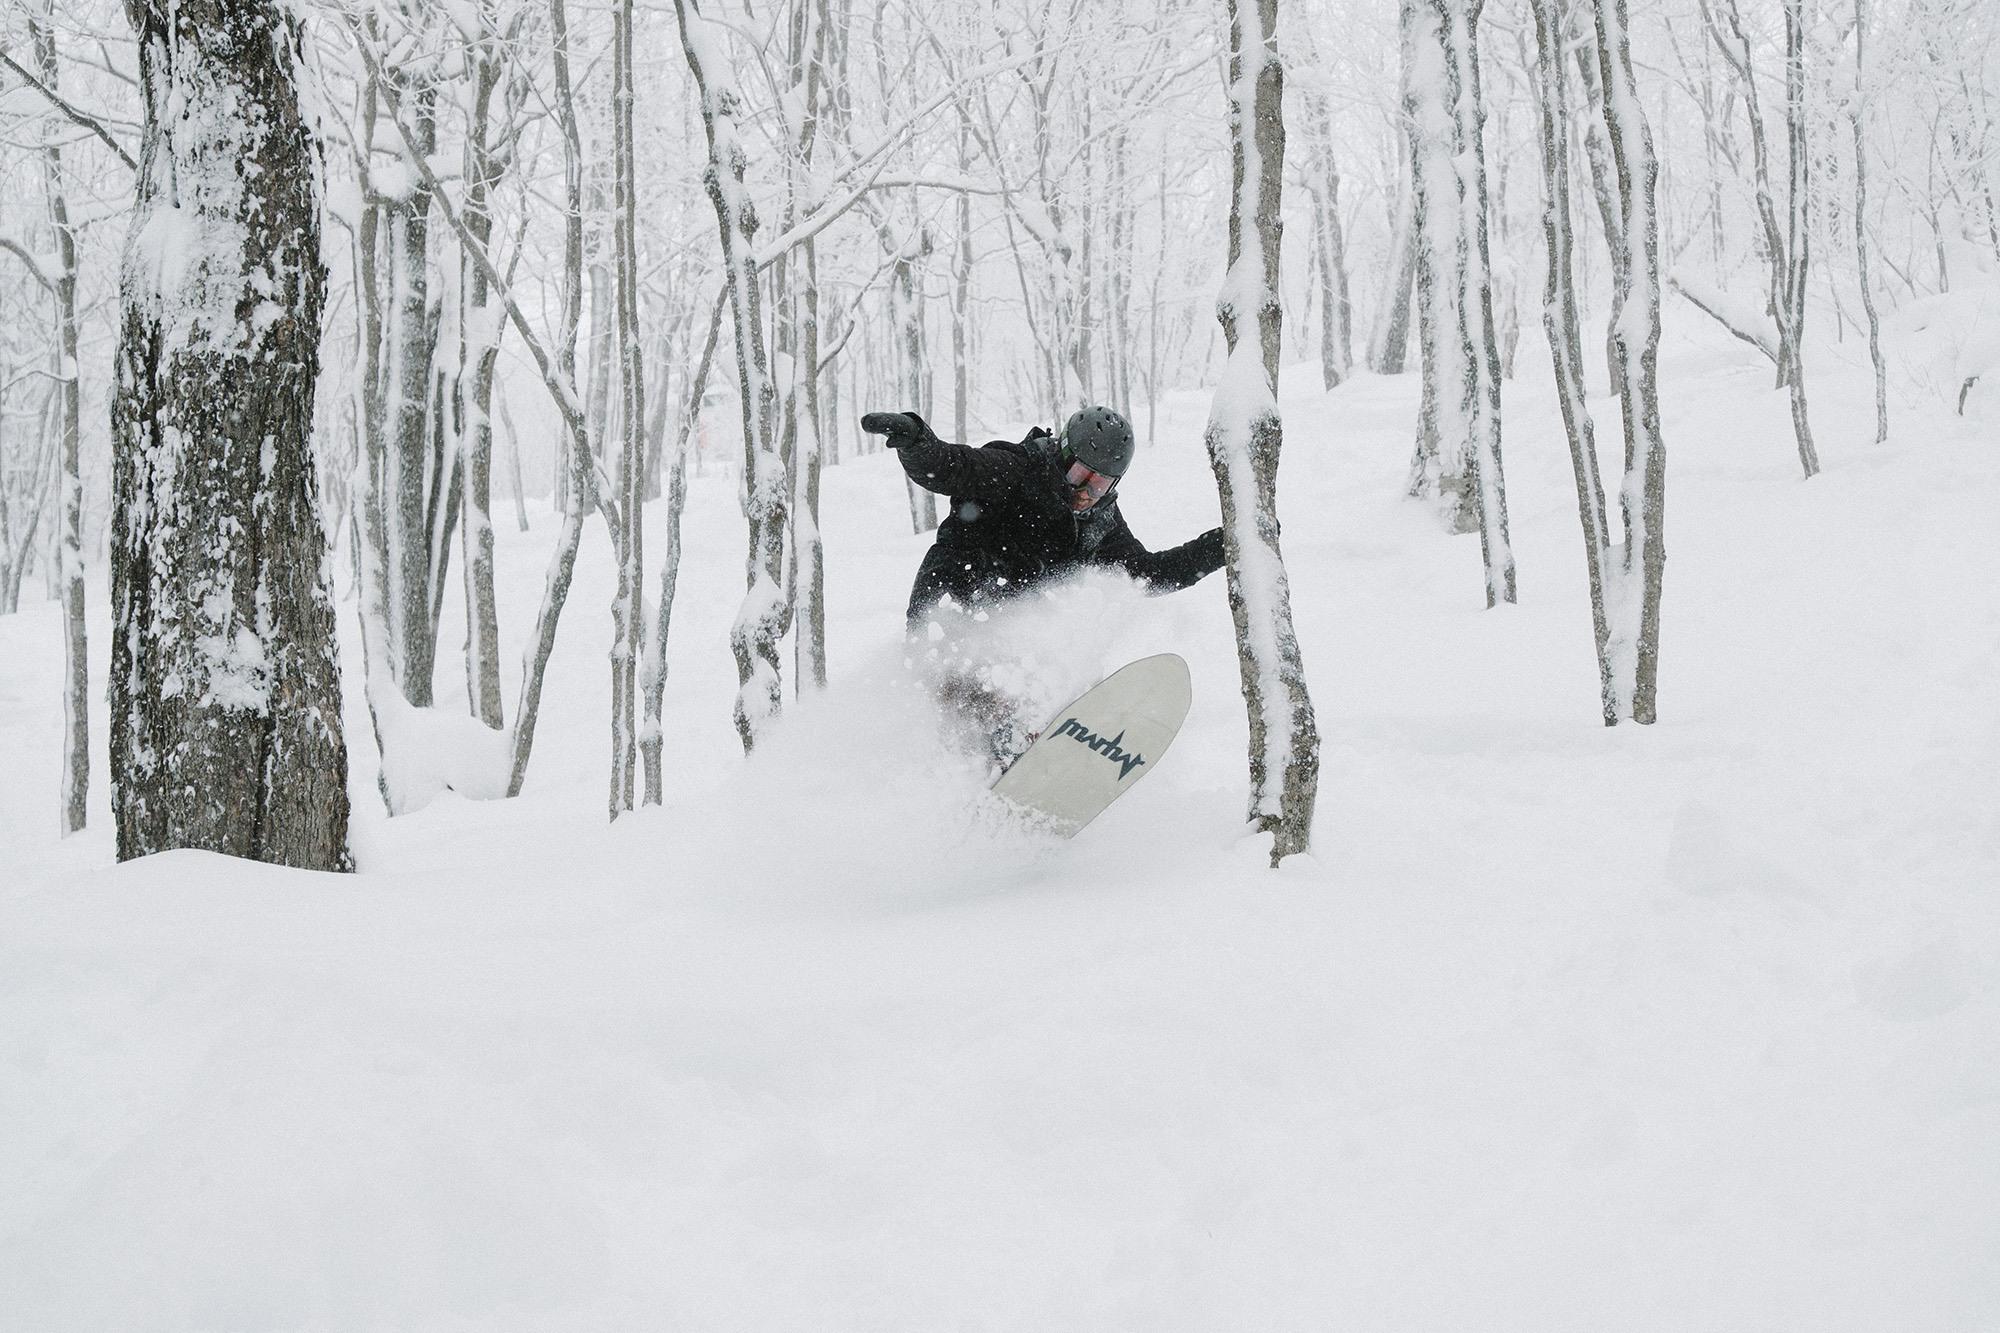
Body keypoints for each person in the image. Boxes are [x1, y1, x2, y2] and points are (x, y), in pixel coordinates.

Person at [861, 404, 1225, 760]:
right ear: (1062, 455)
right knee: (974, 692)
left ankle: (1036, 753)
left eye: (1099, 485)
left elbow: (1147, 574)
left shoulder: (1100, 521)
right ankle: (977, 761)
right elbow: (950, 466)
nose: (1085, 492)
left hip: (1009, 626)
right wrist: (916, 441)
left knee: (1052, 655)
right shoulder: (1018, 468)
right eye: (1080, 475)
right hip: (953, 603)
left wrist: (1224, 545)